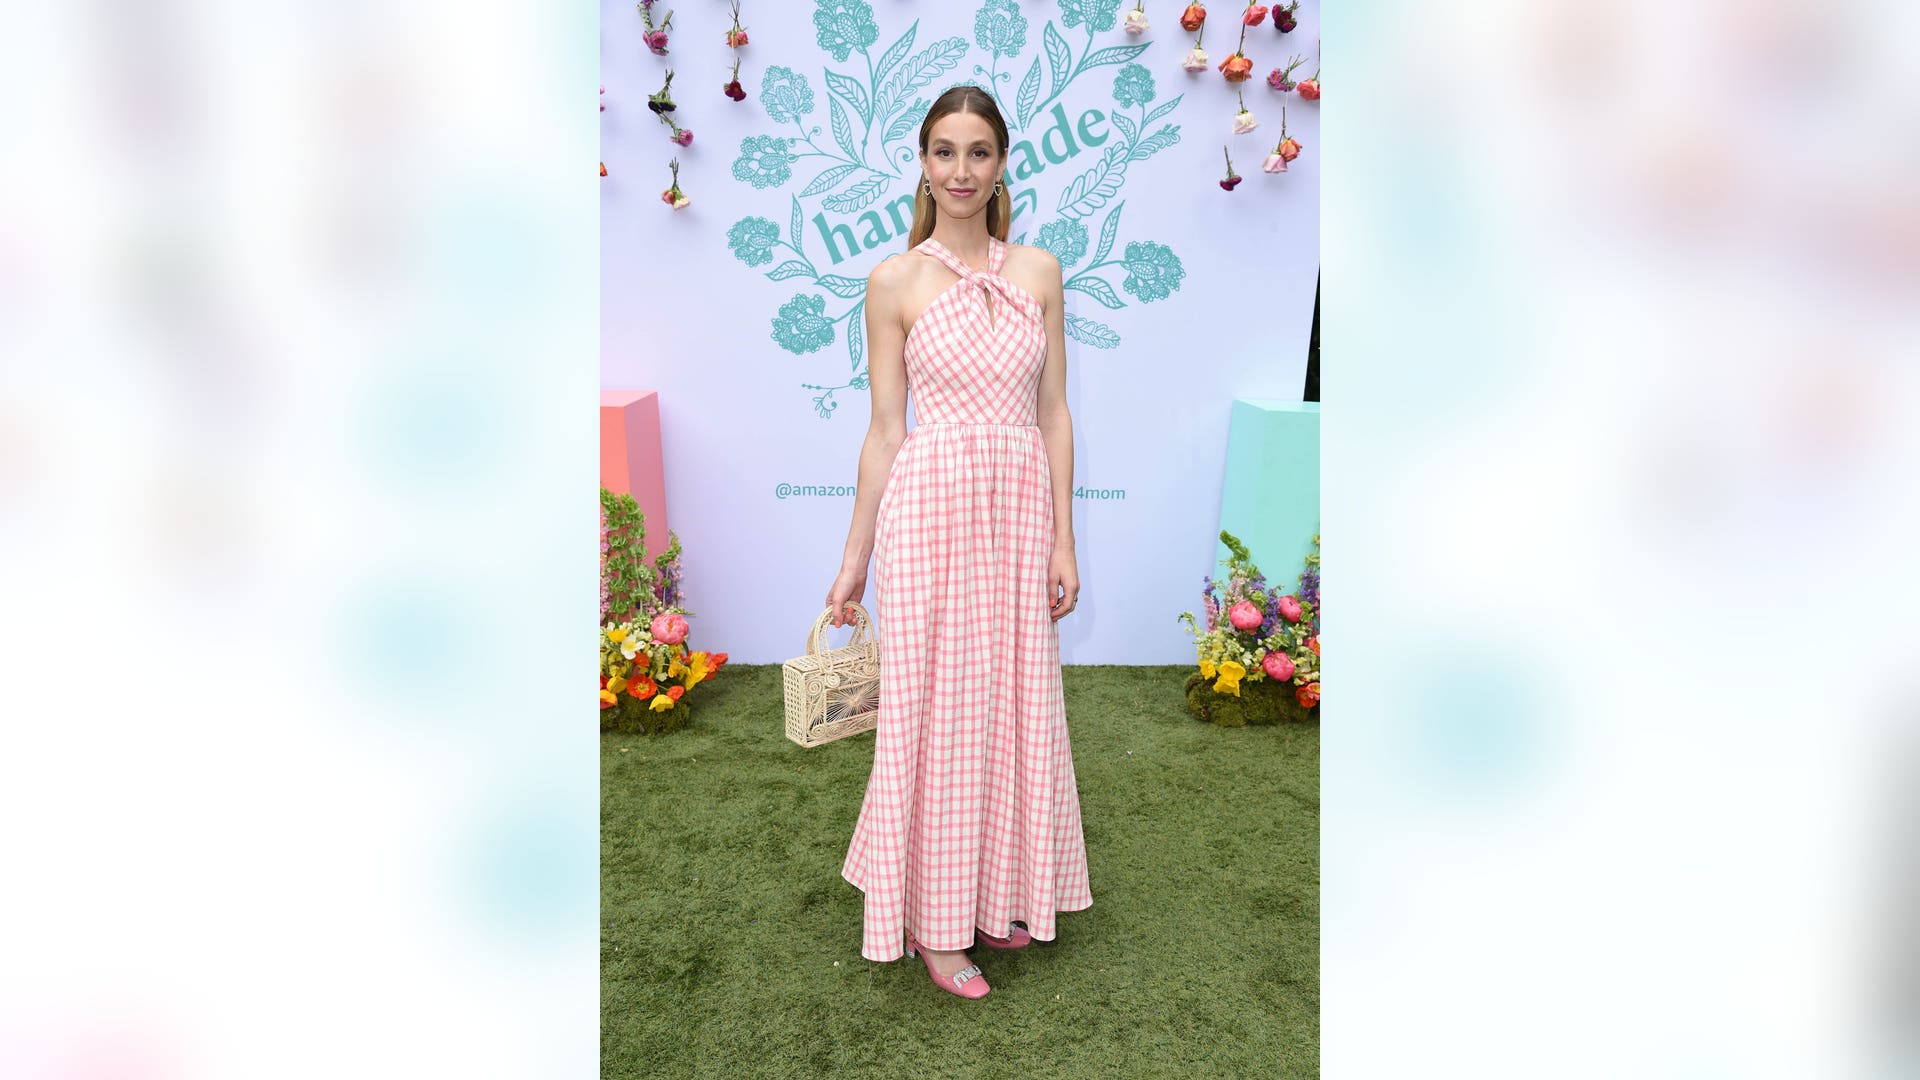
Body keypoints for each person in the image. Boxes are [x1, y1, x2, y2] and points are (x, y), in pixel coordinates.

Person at [827, 85, 1093, 1001]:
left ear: (1003, 161)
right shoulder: (894, 282)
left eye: (979, 152)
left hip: (1019, 510)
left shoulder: (1042, 272)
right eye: (944, 152)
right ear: (923, 162)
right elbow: (884, 431)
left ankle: (997, 894)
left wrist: (1064, 538)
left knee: (1013, 699)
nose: (961, 171)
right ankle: (936, 929)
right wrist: (856, 556)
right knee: (936, 710)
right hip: (931, 508)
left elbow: (1054, 414)